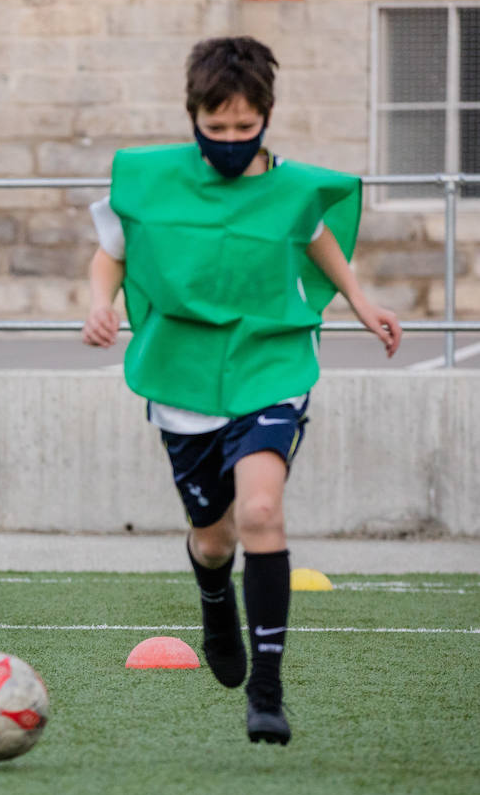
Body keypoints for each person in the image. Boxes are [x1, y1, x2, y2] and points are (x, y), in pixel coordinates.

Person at [81, 37, 402, 744]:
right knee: (213, 536)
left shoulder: (292, 187)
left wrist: (358, 300)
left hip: (270, 363)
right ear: (193, 115)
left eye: (244, 127)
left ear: (267, 116)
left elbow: (316, 235)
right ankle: (211, 595)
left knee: (261, 510)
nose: (230, 141)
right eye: (215, 127)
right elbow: (112, 251)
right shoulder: (152, 181)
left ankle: (268, 689)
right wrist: (99, 302)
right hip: (184, 372)